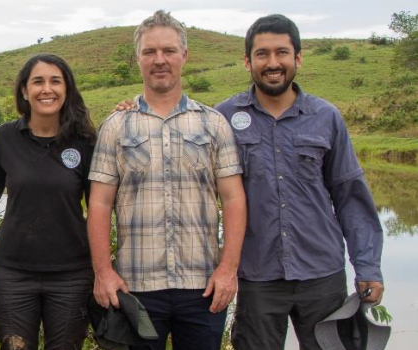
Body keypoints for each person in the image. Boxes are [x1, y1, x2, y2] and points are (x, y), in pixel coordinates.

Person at [213, 14, 384, 350]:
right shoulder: (223, 118)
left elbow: (350, 196)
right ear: (247, 61)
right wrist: (136, 109)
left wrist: (368, 266)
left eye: (282, 53)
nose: (272, 63)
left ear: (298, 59)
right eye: (262, 54)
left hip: (321, 273)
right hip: (257, 274)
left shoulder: (326, 117)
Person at [86, 10, 247, 350]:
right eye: (150, 52)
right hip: (136, 287)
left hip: (203, 285)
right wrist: (103, 271)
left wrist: (228, 269)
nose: (160, 60)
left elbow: (233, 199)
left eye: (169, 51)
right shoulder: (115, 127)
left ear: (184, 56)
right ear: (138, 58)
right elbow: (98, 203)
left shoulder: (214, 124)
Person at [0, 54, 97, 350]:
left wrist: (104, 270)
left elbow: (99, 208)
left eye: (56, 81)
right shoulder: (4, 138)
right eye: (38, 81)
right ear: (24, 91)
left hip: (71, 274)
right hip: (13, 272)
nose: (47, 89)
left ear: (67, 89)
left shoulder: (84, 141)